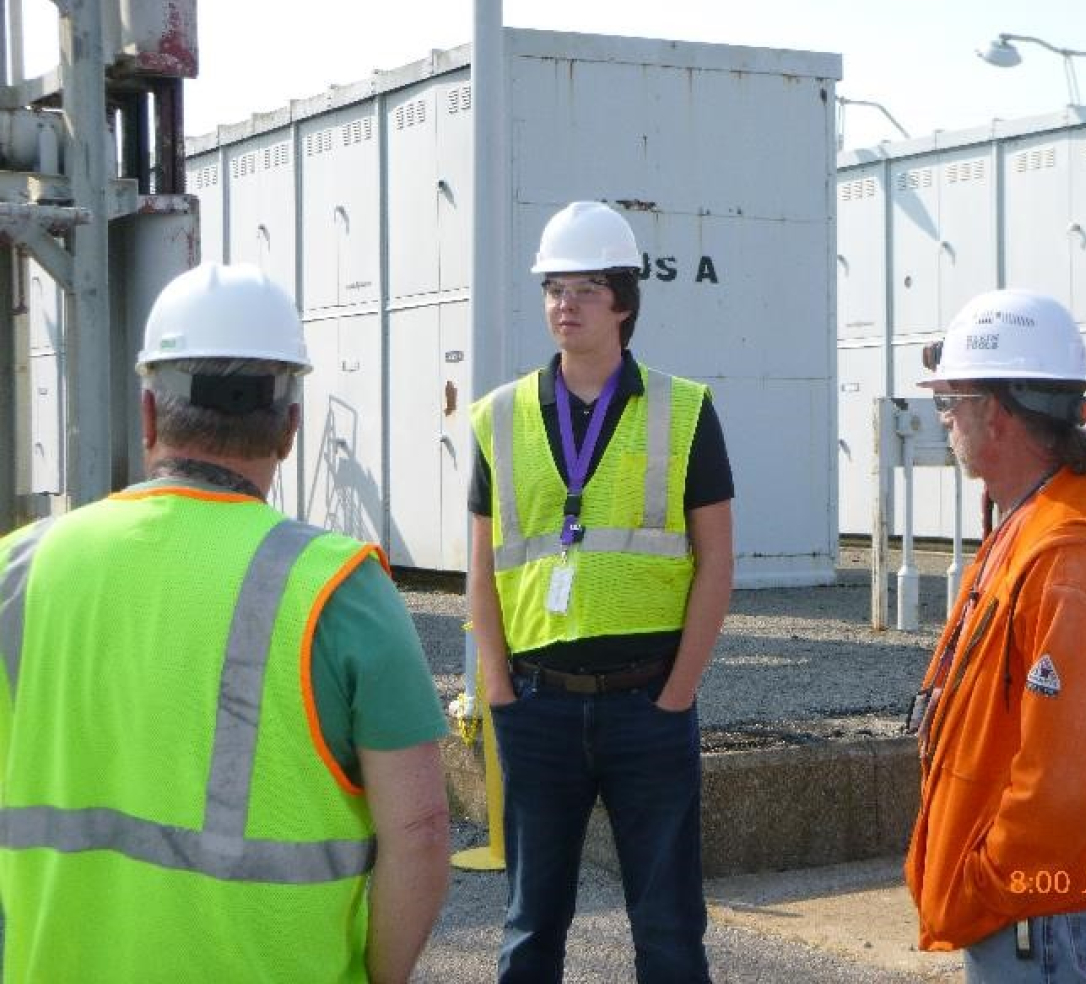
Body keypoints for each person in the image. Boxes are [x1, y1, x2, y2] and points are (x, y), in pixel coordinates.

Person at [0, 263, 451, 983]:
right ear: (290, 426)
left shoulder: (19, 569)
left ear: (148, 413)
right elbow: (422, 835)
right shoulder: (340, 591)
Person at [468, 200, 734, 983]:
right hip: (537, 708)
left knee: (670, 928)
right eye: (554, 286)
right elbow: (480, 569)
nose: (564, 304)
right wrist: (499, 693)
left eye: (584, 287)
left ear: (623, 300)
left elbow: (716, 561)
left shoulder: (686, 410)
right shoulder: (498, 415)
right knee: (528, 927)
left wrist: (678, 694)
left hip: (648, 704)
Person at [903, 289, 1086, 982]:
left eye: (952, 400)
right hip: (1020, 896)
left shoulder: (1067, 556)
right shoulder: (1032, 525)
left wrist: (992, 880)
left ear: (994, 412)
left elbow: (1059, 778)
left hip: (1030, 902)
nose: (945, 417)